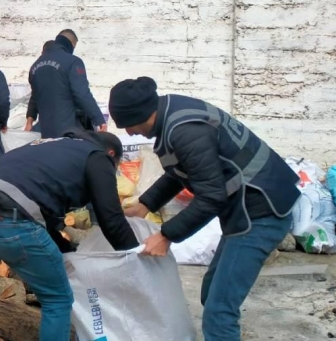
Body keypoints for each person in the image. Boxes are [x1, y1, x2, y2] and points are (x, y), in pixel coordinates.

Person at [108, 77, 301, 341]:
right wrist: (145, 205)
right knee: (211, 293)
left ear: (141, 114)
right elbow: (182, 172)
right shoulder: (172, 113)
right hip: (248, 209)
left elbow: (212, 197)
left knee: (219, 311)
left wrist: (167, 235)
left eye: (128, 125)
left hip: (262, 211)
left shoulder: (185, 131)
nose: (129, 133)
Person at [0, 129, 139, 341]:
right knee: (57, 300)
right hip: (9, 220)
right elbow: (112, 219)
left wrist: (67, 250)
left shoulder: (55, 144)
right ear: (111, 154)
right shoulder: (98, 157)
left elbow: (41, 205)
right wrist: (136, 259)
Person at [24, 30, 107, 137]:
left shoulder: (35, 66)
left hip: (45, 130)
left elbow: (34, 97)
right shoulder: (73, 61)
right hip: (68, 129)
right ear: (70, 44)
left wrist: (29, 122)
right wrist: (99, 119)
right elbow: (82, 93)